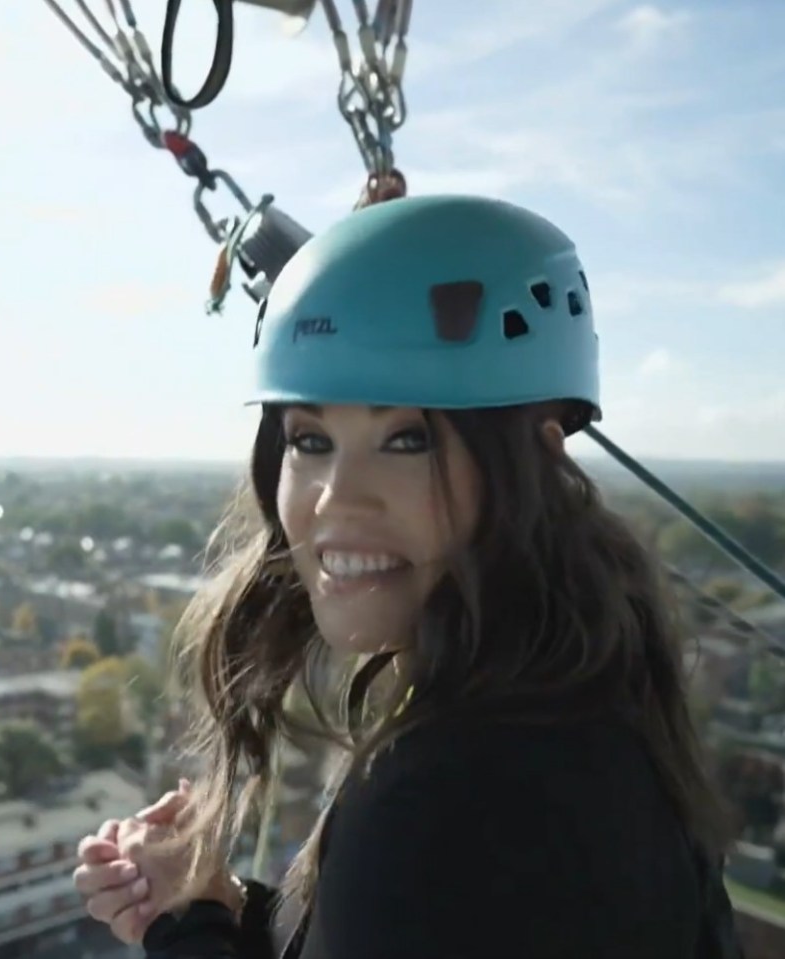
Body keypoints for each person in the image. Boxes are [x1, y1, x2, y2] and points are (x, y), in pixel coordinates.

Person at [72, 195, 745, 958]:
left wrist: (187, 928)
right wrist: (217, 907)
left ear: (538, 459)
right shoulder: (581, 708)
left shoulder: (456, 791)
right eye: (310, 438)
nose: (335, 497)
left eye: (405, 439)